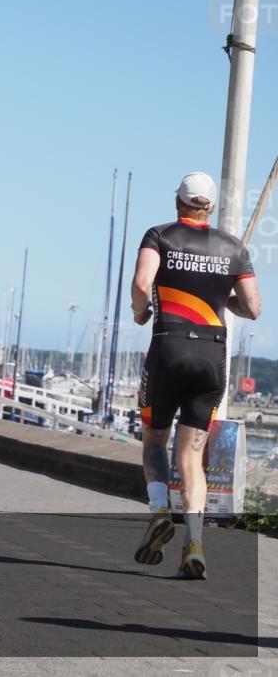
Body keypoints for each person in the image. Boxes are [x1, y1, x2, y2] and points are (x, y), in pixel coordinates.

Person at [130, 172, 261, 579]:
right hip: (211, 355)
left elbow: (141, 283)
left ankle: (158, 514)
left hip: (168, 347)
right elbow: (253, 307)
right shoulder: (233, 246)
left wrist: (141, 311)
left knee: (154, 442)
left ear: (178, 202)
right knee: (191, 455)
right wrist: (225, 300)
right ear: (212, 206)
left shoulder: (159, 235)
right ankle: (195, 543)